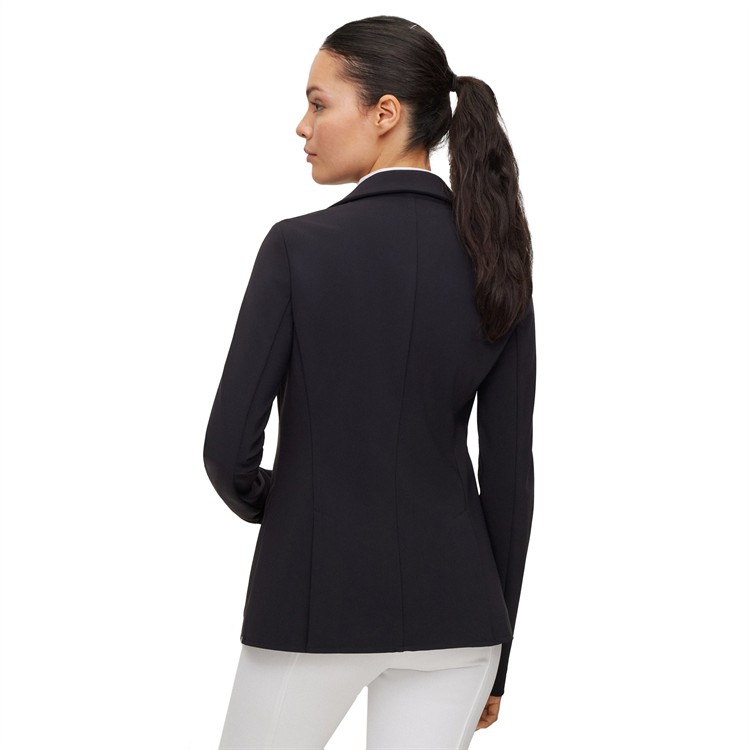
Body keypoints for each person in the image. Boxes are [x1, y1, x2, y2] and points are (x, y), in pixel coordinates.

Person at [203, 14, 536, 750]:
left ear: (385, 113)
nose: (303, 126)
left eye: (319, 103)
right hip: (462, 618)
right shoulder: (499, 262)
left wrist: (293, 508)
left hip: (315, 601)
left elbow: (227, 451)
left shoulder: (297, 249)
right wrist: (502, 656)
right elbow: (510, 479)